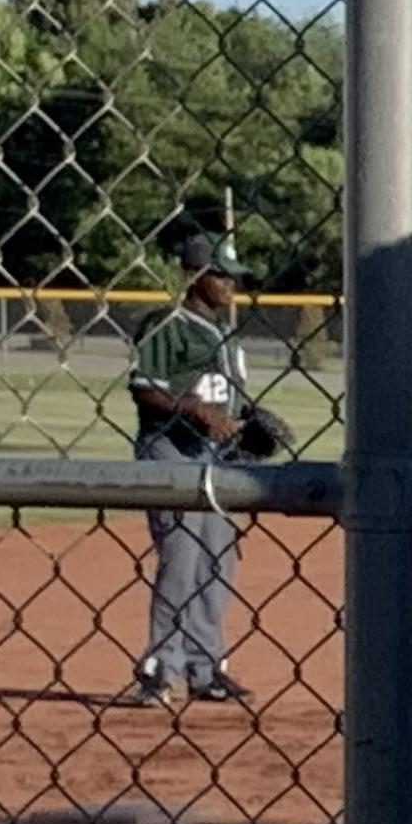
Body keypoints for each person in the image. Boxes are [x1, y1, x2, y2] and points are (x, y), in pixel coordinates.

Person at [119, 236, 253, 705]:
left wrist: (248, 425)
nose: (229, 283)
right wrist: (189, 409)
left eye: (232, 275)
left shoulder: (227, 335)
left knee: (218, 558)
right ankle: (159, 668)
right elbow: (143, 389)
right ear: (193, 274)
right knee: (182, 557)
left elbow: (230, 400)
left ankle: (205, 667)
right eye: (220, 274)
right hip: (169, 450)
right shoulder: (166, 325)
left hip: (215, 459)